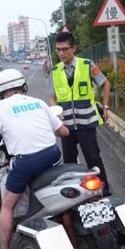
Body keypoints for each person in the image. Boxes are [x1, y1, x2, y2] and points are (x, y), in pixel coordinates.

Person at [0, 68, 69, 249]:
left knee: (7, 207)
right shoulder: (38, 102)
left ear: (0, 91)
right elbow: (64, 131)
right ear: (23, 85)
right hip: (52, 156)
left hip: (27, 162)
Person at [44, 32, 111, 196]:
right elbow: (51, 96)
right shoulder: (55, 71)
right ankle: (74, 195)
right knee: (69, 163)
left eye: (65, 49)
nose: (61, 53)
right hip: (66, 127)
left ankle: (104, 190)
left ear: (74, 48)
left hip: (86, 124)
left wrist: (106, 106)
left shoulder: (87, 65)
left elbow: (105, 84)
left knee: (93, 159)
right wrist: (55, 111)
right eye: (58, 50)